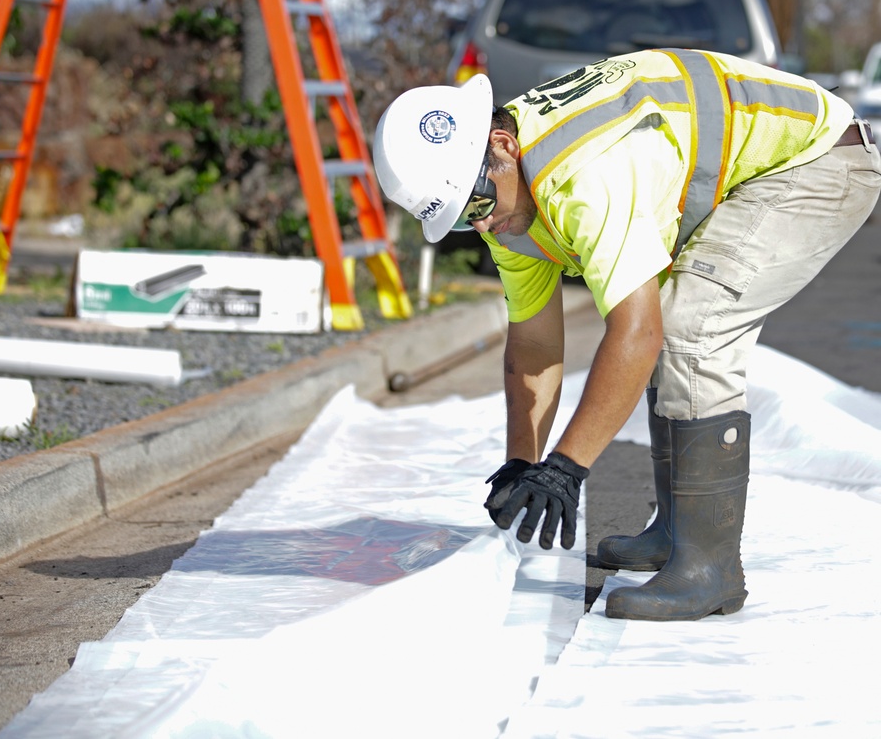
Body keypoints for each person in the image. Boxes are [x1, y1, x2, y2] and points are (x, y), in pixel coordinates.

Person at [372, 49, 881, 622]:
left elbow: (638, 332)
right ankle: (675, 534)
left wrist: (566, 468)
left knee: (691, 329)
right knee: (672, 319)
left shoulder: (583, 175)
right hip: (763, 167)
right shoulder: (506, 201)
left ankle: (709, 570)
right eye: (464, 219)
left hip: (821, 159)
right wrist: (523, 463)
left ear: (503, 146)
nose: (482, 225)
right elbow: (535, 344)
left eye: (478, 205)